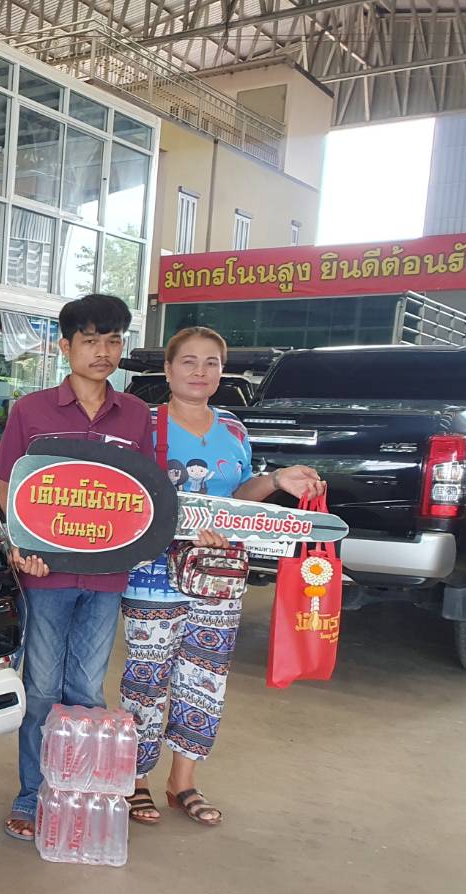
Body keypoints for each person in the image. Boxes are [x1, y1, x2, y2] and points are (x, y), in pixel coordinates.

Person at [120, 326, 325, 826]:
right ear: (168, 370)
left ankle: (182, 781)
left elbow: (238, 496)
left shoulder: (232, 427)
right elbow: (125, 494)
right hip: (154, 573)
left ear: (221, 371)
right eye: (188, 361)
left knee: (205, 676)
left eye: (211, 362)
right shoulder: (144, 422)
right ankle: (136, 780)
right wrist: (184, 526)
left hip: (219, 575)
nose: (200, 371)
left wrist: (276, 481)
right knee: (146, 677)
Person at [0, 294, 154, 842]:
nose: (103, 351)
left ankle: (77, 796)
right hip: (45, 574)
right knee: (39, 691)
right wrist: (20, 542)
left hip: (106, 577)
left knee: (86, 691)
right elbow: (10, 484)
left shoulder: (136, 415)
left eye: (113, 340)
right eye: (90, 340)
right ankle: (31, 794)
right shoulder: (30, 411)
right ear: (65, 346)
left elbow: (145, 494)